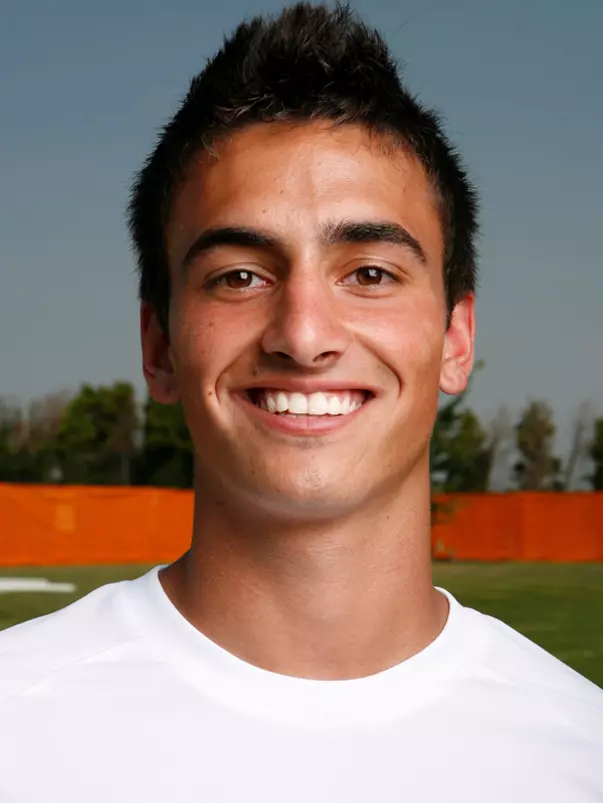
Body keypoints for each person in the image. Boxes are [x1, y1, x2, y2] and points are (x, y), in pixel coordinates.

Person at [1, 4, 601, 800]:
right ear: (159, 345)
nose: (304, 333)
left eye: (370, 273)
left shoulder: (579, 749)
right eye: (239, 275)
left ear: (456, 339)